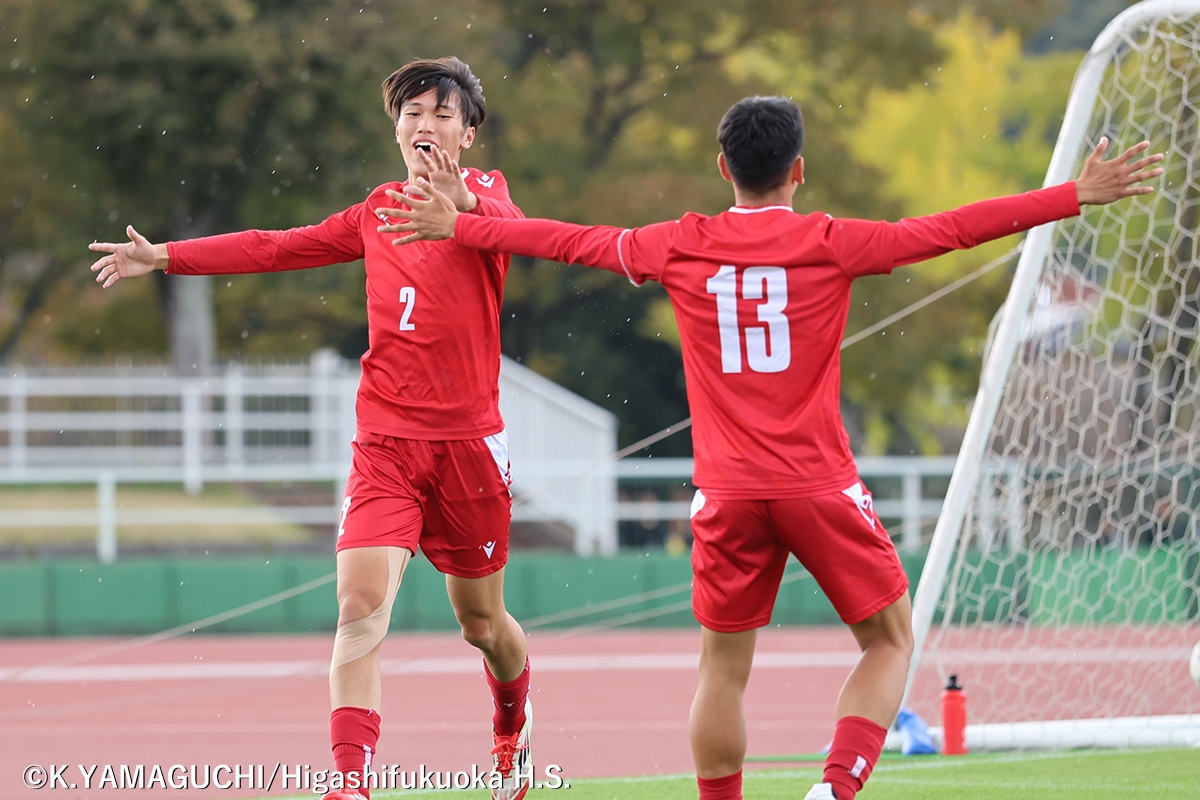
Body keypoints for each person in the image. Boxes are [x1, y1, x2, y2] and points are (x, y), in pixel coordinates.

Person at [380, 95, 1163, 800]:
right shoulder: (830, 241)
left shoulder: (680, 243)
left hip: (724, 495)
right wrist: (1073, 196)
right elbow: (951, 230)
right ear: (798, 171)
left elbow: (570, 241)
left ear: (724, 168)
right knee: (889, 641)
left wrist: (464, 225)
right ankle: (833, 790)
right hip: (818, 485)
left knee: (722, 671)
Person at [89, 57, 536, 800]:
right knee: (359, 605)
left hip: (469, 448)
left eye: (442, 113)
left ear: (470, 131)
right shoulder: (375, 210)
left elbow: (520, 236)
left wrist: (464, 208)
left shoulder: (486, 195)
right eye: (413, 112)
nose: (426, 125)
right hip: (386, 444)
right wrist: (164, 255)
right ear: (395, 126)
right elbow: (273, 246)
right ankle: (350, 785)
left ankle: (512, 725)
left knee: (482, 625)